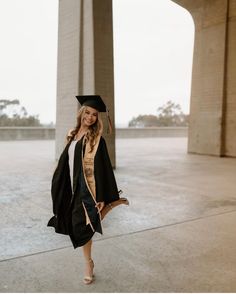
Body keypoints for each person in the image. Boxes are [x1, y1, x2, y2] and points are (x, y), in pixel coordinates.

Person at [47, 95, 128, 285]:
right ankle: (111, 205)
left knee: (83, 227)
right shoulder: (72, 134)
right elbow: (67, 160)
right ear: (81, 112)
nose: (90, 117)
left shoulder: (96, 140)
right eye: (87, 112)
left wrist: (100, 196)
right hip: (70, 186)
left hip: (86, 188)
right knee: (79, 223)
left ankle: (88, 264)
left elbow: (102, 168)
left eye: (94, 115)